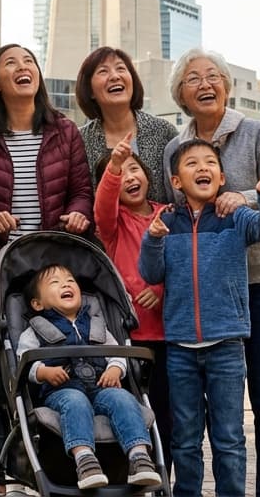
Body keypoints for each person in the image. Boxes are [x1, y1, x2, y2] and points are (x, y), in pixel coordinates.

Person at [162, 49, 260, 497]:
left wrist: (244, 196)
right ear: (180, 94)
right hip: (210, 298)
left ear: (226, 85)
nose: (205, 84)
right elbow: (178, 216)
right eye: (193, 79)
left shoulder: (255, 132)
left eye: (213, 76)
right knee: (210, 415)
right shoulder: (174, 148)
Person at [0, 42, 94, 488]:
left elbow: (81, 190)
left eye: (29, 61)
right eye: (11, 63)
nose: (24, 68)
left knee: (61, 369)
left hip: (50, 273)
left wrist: (79, 212)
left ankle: (55, 464)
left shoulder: (64, 131)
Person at [141, 140, 260, 497]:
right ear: (176, 181)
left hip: (227, 346)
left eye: (210, 163)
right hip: (180, 349)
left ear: (221, 177)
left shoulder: (233, 217)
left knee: (228, 437)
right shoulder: (167, 222)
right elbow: (150, 272)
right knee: (185, 438)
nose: (202, 168)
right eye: (192, 163)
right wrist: (153, 239)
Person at [16, 263, 162, 490]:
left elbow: (118, 352)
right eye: (55, 283)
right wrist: (43, 372)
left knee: (123, 399)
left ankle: (139, 456)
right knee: (75, 401)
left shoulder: (97, 324)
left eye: (70, 281)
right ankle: (84, 459)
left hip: (101, 387)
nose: (65, 284)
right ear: (37, 303)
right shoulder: (34, 330)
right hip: (62, 391)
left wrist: (115, 369)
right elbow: (24, 361)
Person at [92, 132, 172, 469]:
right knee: (132, 417)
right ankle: (133, 478)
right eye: (120, 174)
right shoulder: (112, 224)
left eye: (134, 169)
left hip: (169, 335)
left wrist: (160, 291)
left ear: (148, 175)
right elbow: (102, 205)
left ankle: (164, 481)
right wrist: (113, 165)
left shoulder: (167, 215)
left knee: (167, 417)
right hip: (129, 340)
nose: (129, 177)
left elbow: (184, 264)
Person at [75, 46, 178, 204]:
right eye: (103, 71)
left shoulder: (164, 132)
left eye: (121, 69)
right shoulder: (80, 140)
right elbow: (79, 197)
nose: (115, 76)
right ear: (90, 91)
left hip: (161, 226)